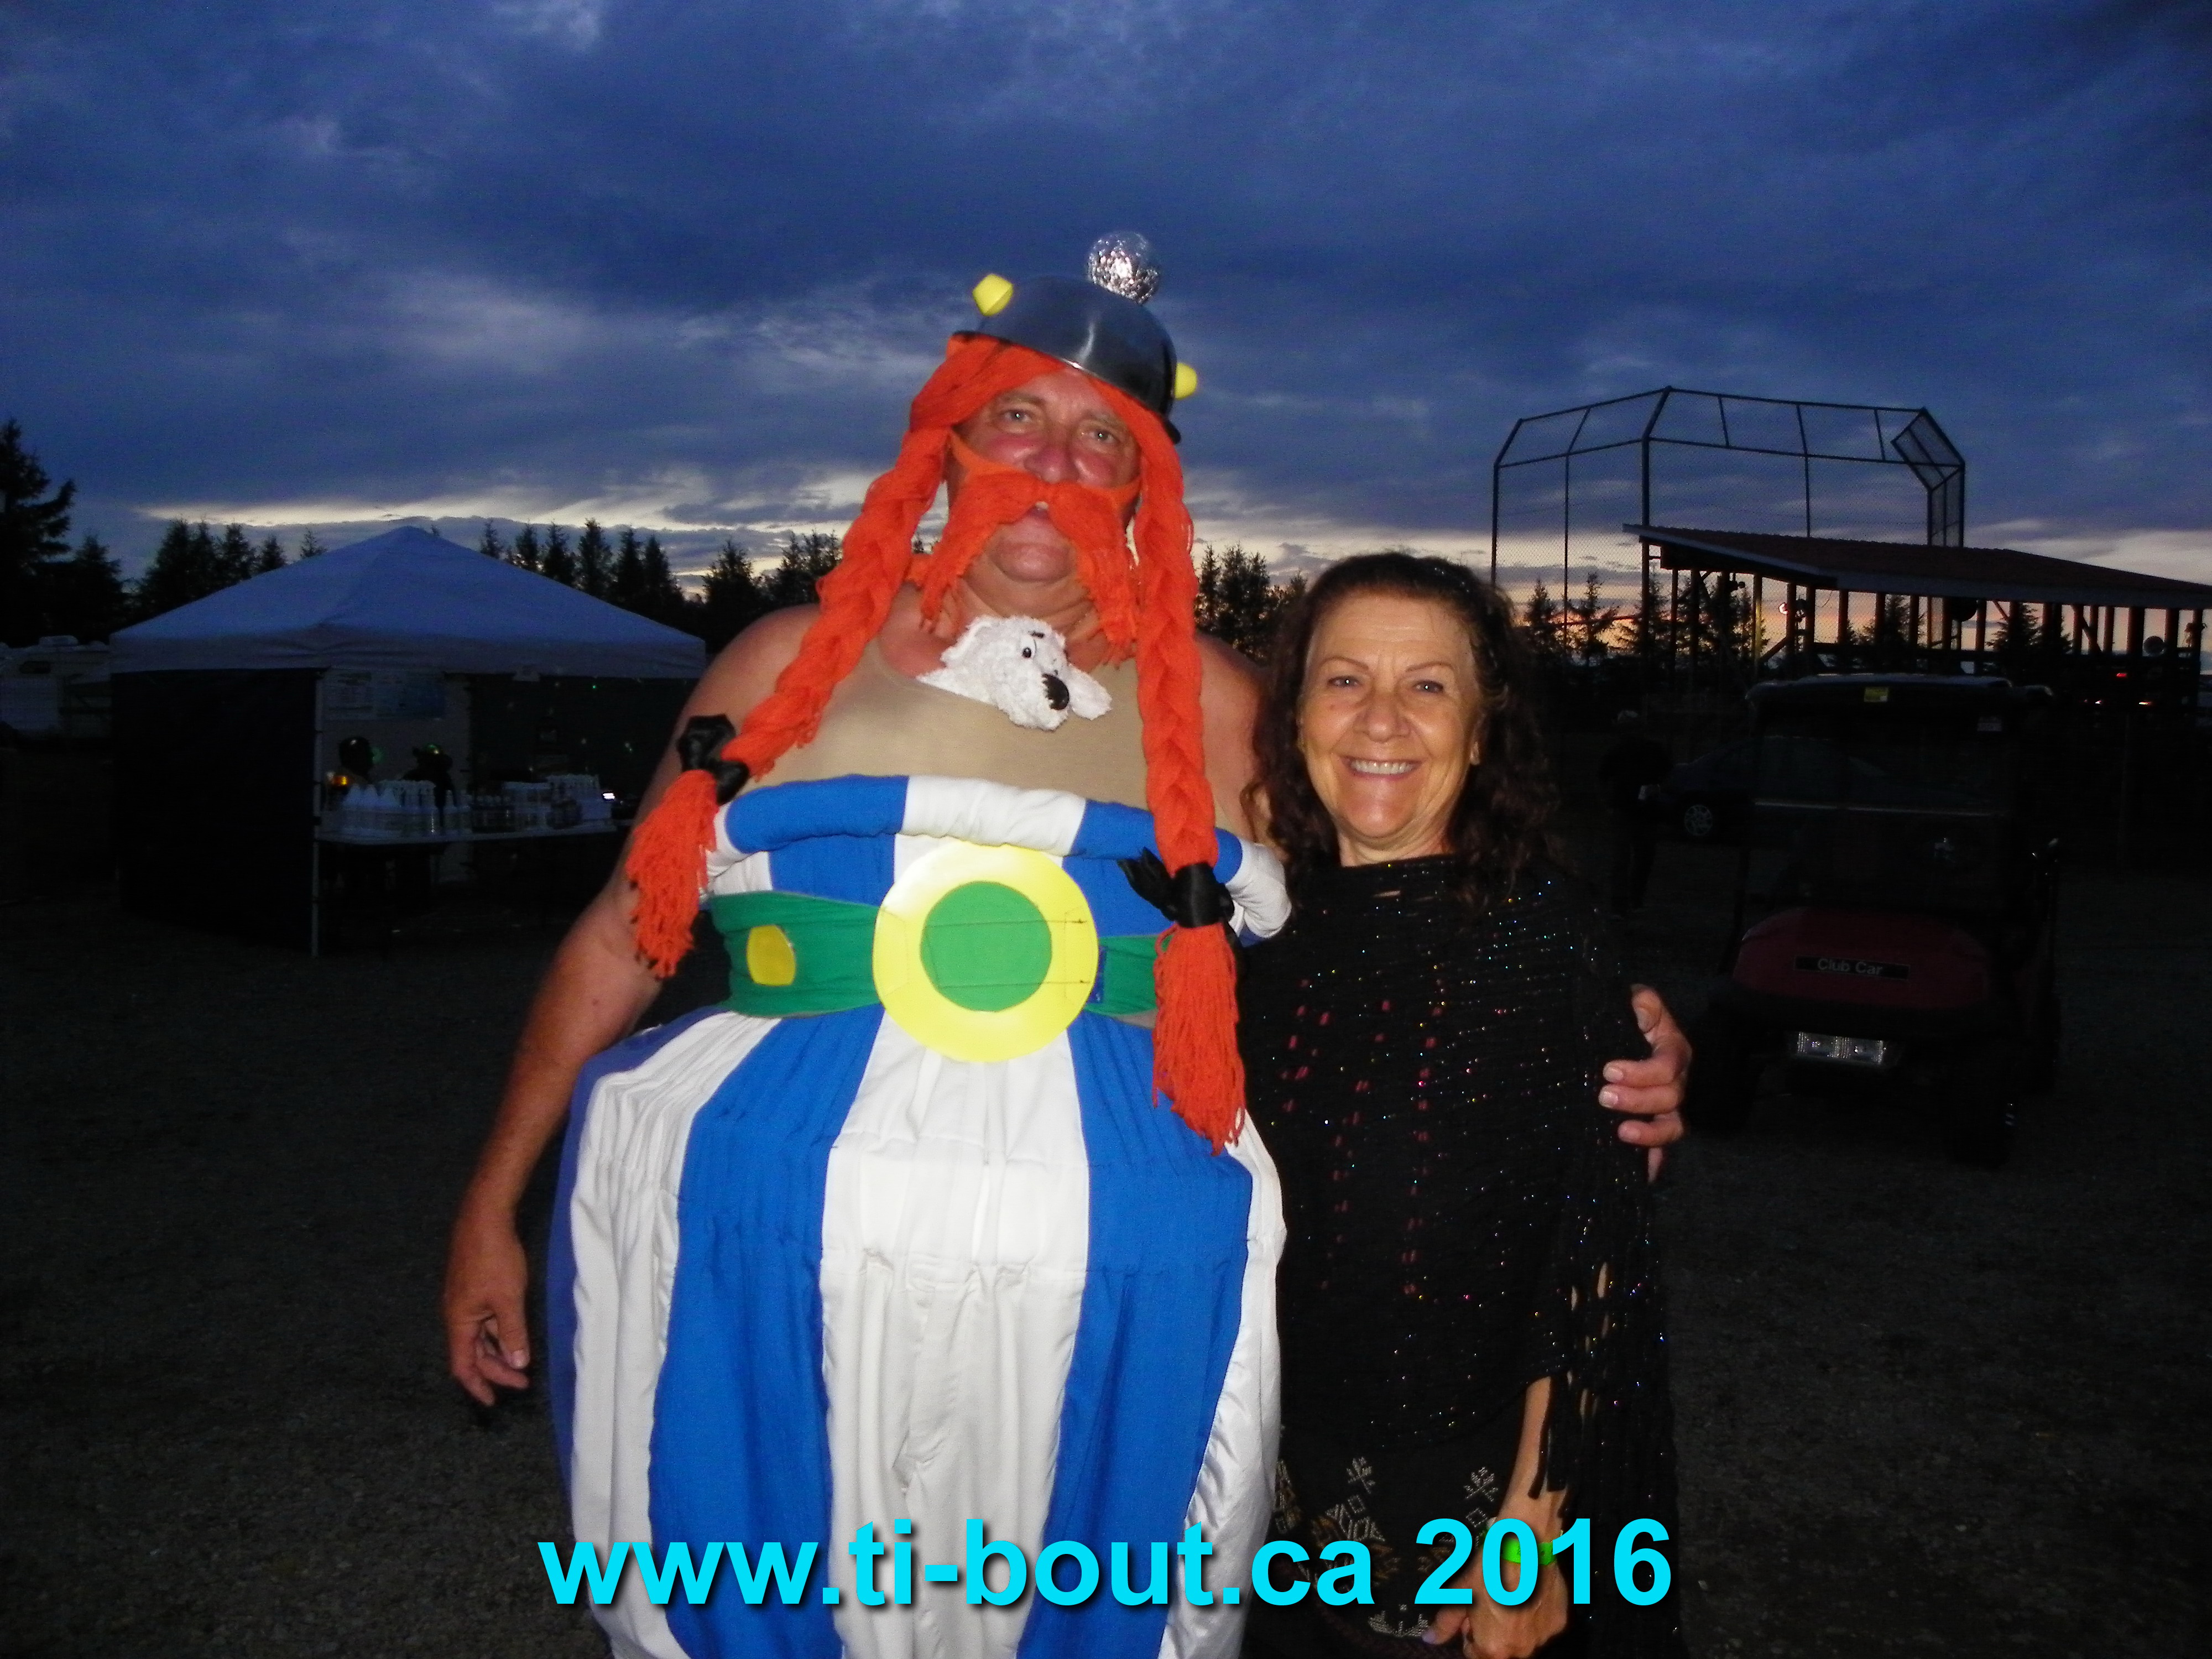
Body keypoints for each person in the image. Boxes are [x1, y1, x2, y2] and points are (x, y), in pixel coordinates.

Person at [442, 243, 1688, 1659]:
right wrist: (492, 1203)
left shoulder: (1224, 712)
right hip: (777, 1270)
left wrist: (1612, 1034)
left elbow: (1409, 913)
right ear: (948, 438)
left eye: (1103, 437)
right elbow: (623, 933)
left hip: (1100, 1314)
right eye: (1018, 417)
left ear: (1144, 484)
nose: (1052, 461)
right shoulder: (777, 668)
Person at [1238, 554, 1683, 1658]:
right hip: (1266, 1494)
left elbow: (1594, 1264)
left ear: (1481, 733)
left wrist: (1530, 1527)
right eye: (1343, 680)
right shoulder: (1259, 940)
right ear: (1296, 715)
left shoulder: (1539, 944)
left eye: (1428, 686)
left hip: (1466, 1517)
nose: (1380, 718)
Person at [1597, 711, 1671, 915]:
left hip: (1647, 813)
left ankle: (1634, 901)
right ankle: (1621, 905)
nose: (1629, 733)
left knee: (1642, 859)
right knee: (1622, 860)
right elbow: (1602, 779)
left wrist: (1658, 788)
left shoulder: (1653, 751)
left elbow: (1668, 775)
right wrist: (1608, 804)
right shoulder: (1617, 752)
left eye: (1632, 728)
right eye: (1626, 729)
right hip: (1625, 812)